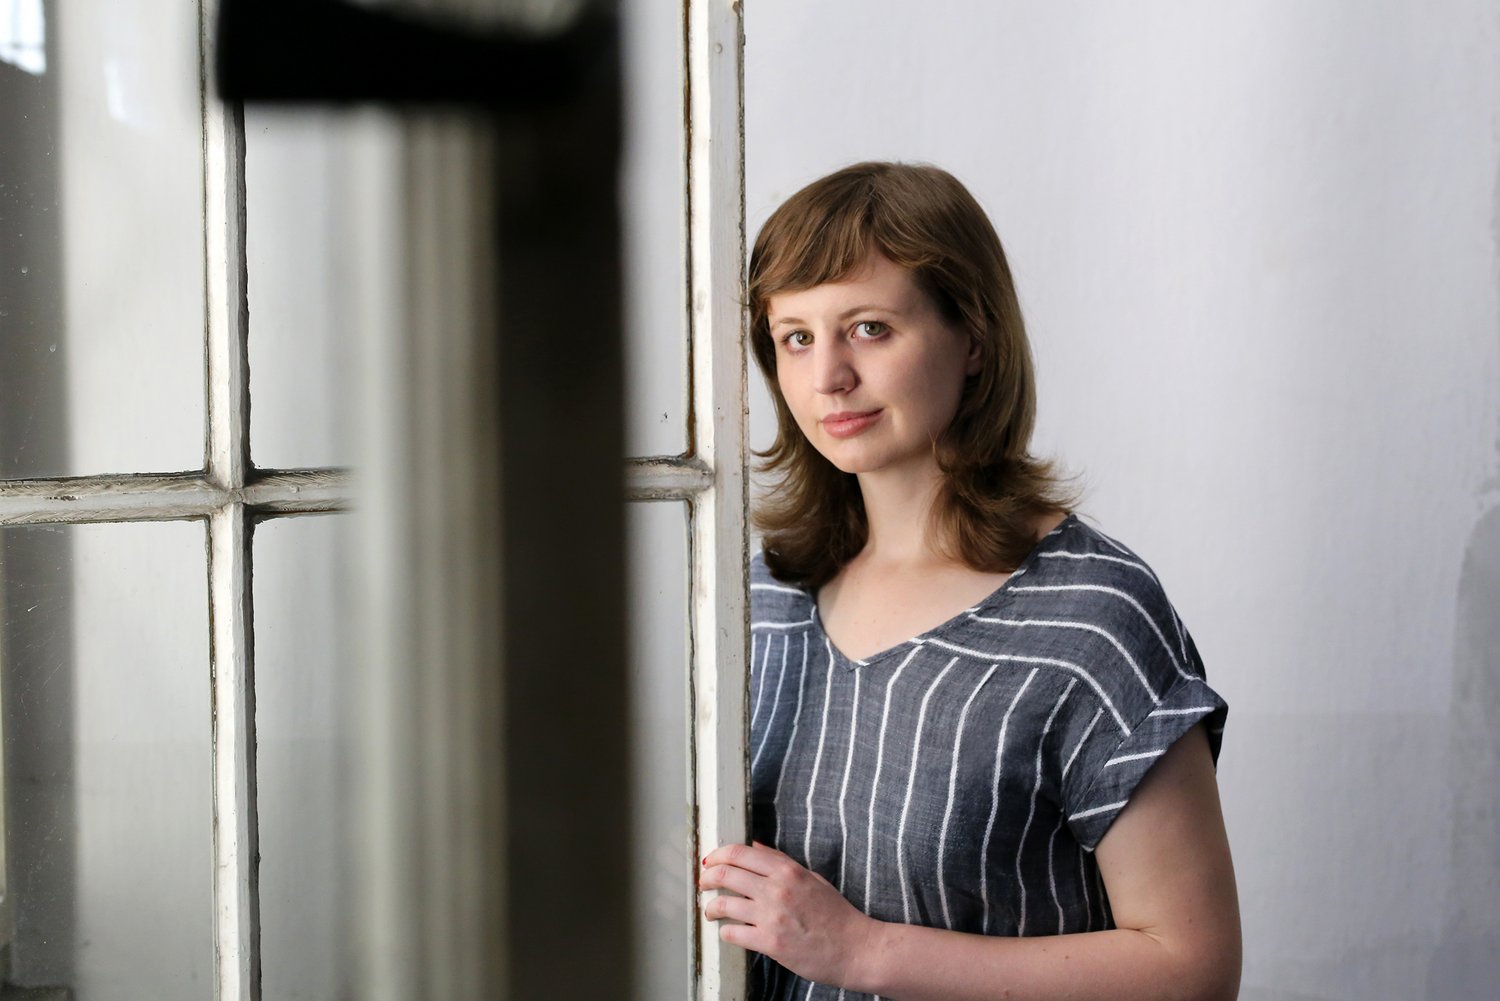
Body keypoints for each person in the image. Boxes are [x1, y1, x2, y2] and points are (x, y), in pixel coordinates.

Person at [699, 162, 1240, 1001]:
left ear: (975, 340)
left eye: (870, 328)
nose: (828, 375)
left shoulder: (1093, 616)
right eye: (796, 337)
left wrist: (863, 950)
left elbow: (1192, 968)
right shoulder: (761, 599)